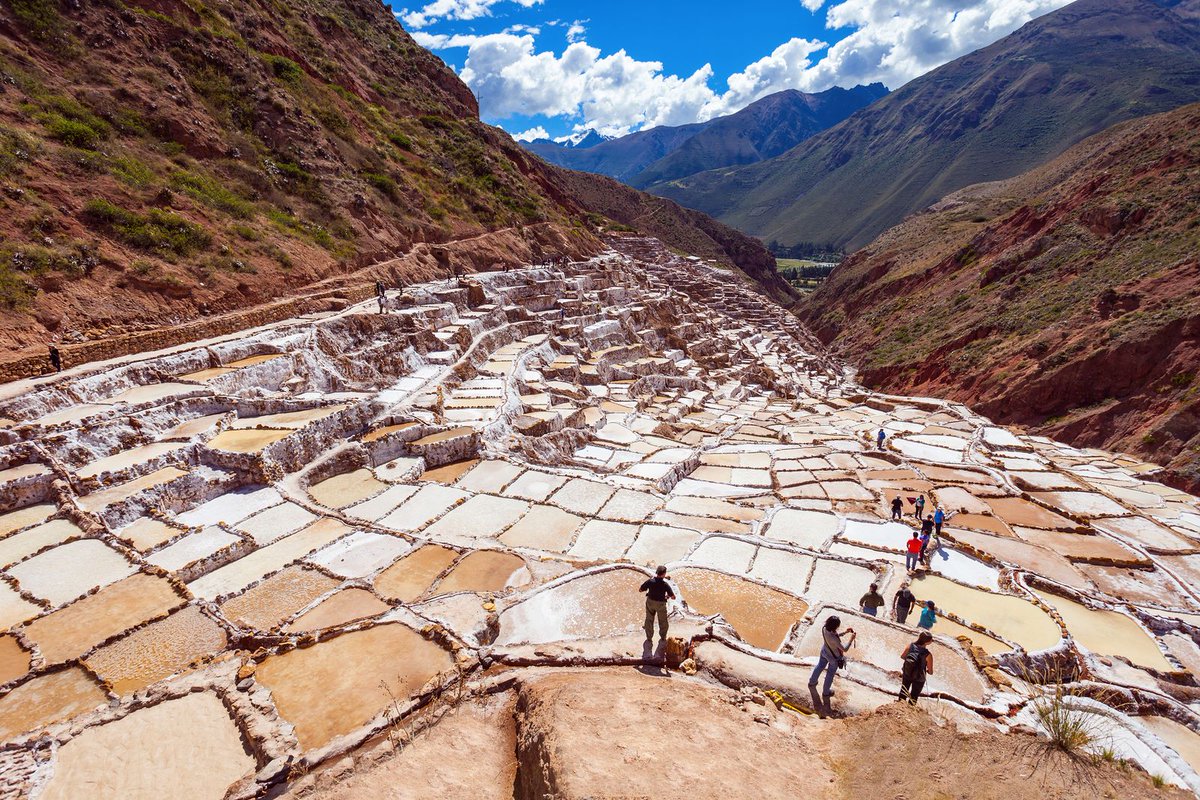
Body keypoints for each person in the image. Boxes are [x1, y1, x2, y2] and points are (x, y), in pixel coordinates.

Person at [808, 616, 856, 699]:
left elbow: (834, 637)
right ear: (835, 626)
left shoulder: (824, 628)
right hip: (833, 658)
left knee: (819, 666)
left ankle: (812, 682)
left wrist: (845, 632)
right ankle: (826, 692)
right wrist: (851, 640)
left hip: (824, 651)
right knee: (830, 674)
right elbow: (844, 649)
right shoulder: (834, 638)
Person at [639, 565, 675, 641]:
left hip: (650, 602)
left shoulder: (650, 581)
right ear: (664, 574)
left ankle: (649, 638)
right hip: (660, 604)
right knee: (663, 621)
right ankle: (663, 637)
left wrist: (650, 590)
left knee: (649, 620)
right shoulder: (665, 584)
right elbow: (673, 597)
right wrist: (667, 596)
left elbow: (640, 590)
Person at [899, 631, 935, 704]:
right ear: (927, 642)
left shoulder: (910, 646)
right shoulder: (928, 655)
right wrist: (927, 671)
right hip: (919, 678)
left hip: (907, 672)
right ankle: (909, 710)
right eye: (931, 640)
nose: (932, 641)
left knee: (903, 691)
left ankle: (899, 705)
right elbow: (931, 672)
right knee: (914, 696)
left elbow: (902, 656)